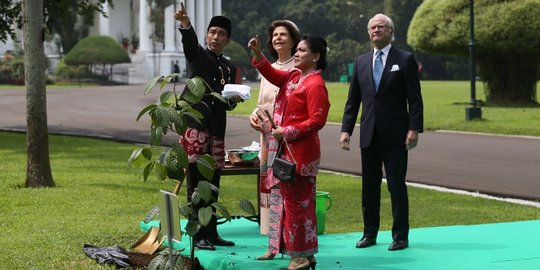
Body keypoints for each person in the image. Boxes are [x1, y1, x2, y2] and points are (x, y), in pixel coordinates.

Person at [339, 13, 423, 251]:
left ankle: (400, 236)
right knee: (369, 187)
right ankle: (369, 234)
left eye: (381, 27)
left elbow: (414, 100)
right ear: (368, 33)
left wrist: (413, 128)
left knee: (396, 185)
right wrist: (346, 129)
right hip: (369, 134)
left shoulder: (405, 59)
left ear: (391, 32)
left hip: (397, 135)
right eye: (372, 27)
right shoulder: (362, 61)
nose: (376, 30)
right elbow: (353, 100)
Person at [249, 34, 330, 270]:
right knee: (294, 203)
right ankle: (304, 254)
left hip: (301, 155)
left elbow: (318, 120)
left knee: (298, 205)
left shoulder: (315, 84)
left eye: (302, 51)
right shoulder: (296, 76)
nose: (297, 53)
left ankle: (300, 256)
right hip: (287, 151)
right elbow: (273, 75)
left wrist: (288, 131)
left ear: (315, 57)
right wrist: (257, 53)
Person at [174, 3, 241, 251]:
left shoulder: (229, 67)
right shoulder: (198, 56)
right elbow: (189, 45)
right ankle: (198, 234)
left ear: (227, 40)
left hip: (217, 129)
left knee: (213, 181)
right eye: (212, 32)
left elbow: (226, 104)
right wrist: (185, 25)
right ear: (206, 35)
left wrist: (234, 100)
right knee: (196, 182)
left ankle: (212, 232)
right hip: (195, 127)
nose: (216, 37)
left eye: (221, 34)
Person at [247, 19, 301, 256]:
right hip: (267, 138)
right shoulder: (267, 69)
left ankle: (291, 244)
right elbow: (261, 103)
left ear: (293, 39)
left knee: (288, 190)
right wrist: (253, 117)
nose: (278, 38)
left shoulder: (298, 68)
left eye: (283, 34)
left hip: (287, 139)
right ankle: (272, 245)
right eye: (275, 35)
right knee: (269, 191)